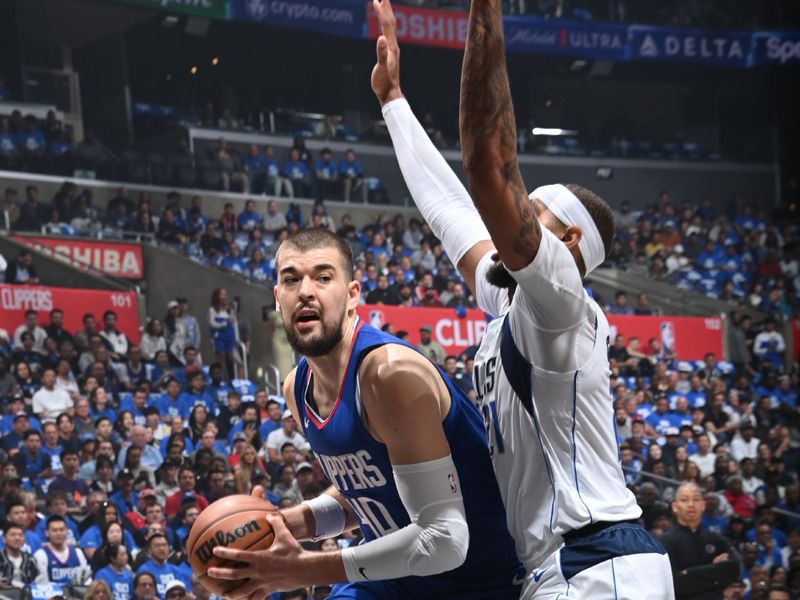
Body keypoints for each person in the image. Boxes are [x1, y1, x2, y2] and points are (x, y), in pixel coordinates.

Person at [372, 1, 672, 597]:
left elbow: (487, 168)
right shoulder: (514, 304)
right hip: (562, 569)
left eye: (528, 211)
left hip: (597, 563)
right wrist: (393, 102)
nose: (507, 217)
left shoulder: (560, 298)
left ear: (567, 240)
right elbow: (451, 213)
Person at [206, 227, 523, 598]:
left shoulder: (389, 374)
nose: (306, 291)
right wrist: (289, 523)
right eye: (291, 280)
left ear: (353, 294)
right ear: (278, 298)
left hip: (478, 585)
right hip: (391, 582)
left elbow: (445, 540)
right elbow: (370, 498)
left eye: (323, 277)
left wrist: (301, 569)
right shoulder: (296, 388)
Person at [660, 483, 740, 599]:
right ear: (675, 506)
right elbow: (676, 583)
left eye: (696, 499)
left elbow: (734, 568)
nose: (691, 505)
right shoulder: (665, 541)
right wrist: (715, 573)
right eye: (684, 500)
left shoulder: (716, 539)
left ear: (703, 505)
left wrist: (689, 573)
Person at [34, 516, 90, 585]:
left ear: (67, 531)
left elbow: (86, 579)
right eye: (54, 530)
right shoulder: (40, 555)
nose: (58, 533)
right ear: (47, 532)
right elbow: (41, 584)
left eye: (61, 530)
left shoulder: (78, 553)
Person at [0, 524, 46, 588]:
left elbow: (37, 581)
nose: (17, 538)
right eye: (13, 535)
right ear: (4, 539)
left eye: (20, 535)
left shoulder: (30, 559)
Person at [208, 288, 237, 382]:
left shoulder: (228, 309)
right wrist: (222, 324)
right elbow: (211, 323)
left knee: (231, 358)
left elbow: (233, 321)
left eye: (225, 294)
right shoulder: (212, 310)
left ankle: (232, 379)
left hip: (229, 335)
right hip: (219, 335)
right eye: (221, 294)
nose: (224, 296)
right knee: (221, 356)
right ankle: (220, 378)